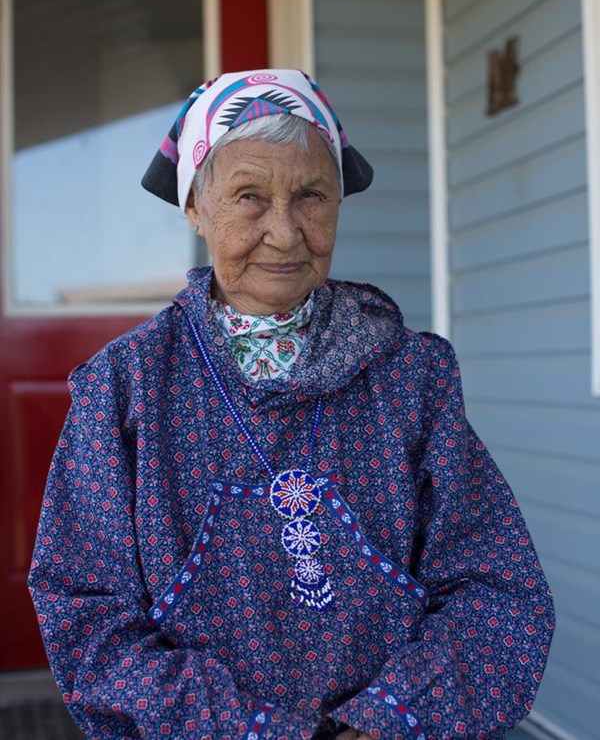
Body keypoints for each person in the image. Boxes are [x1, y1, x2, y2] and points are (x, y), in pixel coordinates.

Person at [29, 69, 554, 740]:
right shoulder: (125, 389)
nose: (284, 232)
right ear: (194, 206)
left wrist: (387, 722)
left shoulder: (410, 377)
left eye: (311, 195)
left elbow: (495, 588)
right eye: (249, 195)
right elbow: (87, 614)